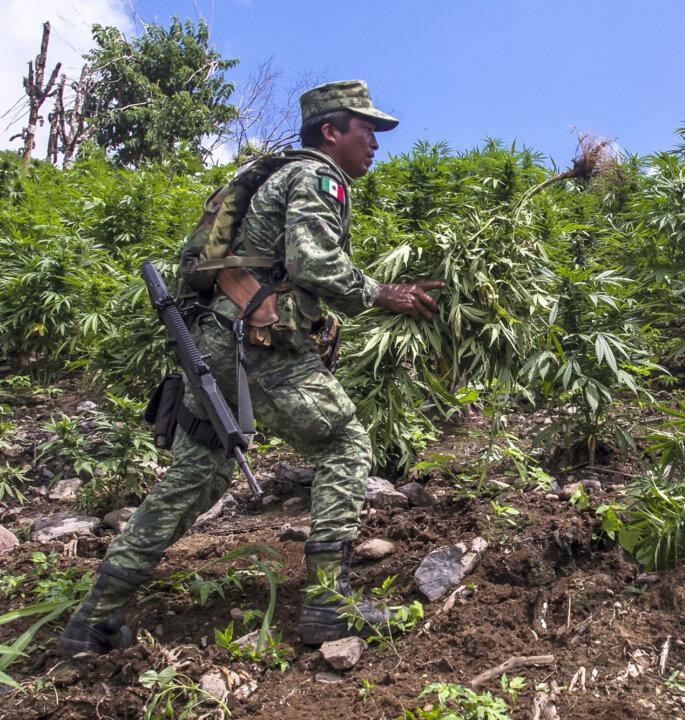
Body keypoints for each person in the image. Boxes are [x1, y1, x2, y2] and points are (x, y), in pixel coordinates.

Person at [58, 80, 444, 655]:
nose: (376, 144)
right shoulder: (319, 175)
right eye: (367, 130)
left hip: (215, 343)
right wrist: (381, 291)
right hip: (256, 346)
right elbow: (312, 262)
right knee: (345, 445)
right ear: (331, 131)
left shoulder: (275, 174)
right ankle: (326, 605)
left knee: (198, 477)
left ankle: (93, 619)